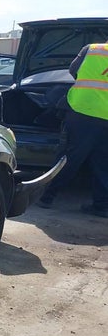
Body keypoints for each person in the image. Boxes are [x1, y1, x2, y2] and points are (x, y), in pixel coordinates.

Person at [37, 41, 108, 218]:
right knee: (102, 162)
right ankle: (101, 206)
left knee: (70, 157)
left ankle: (47, 197)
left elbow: (73, 70)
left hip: (83, 110)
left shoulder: (92, 49)